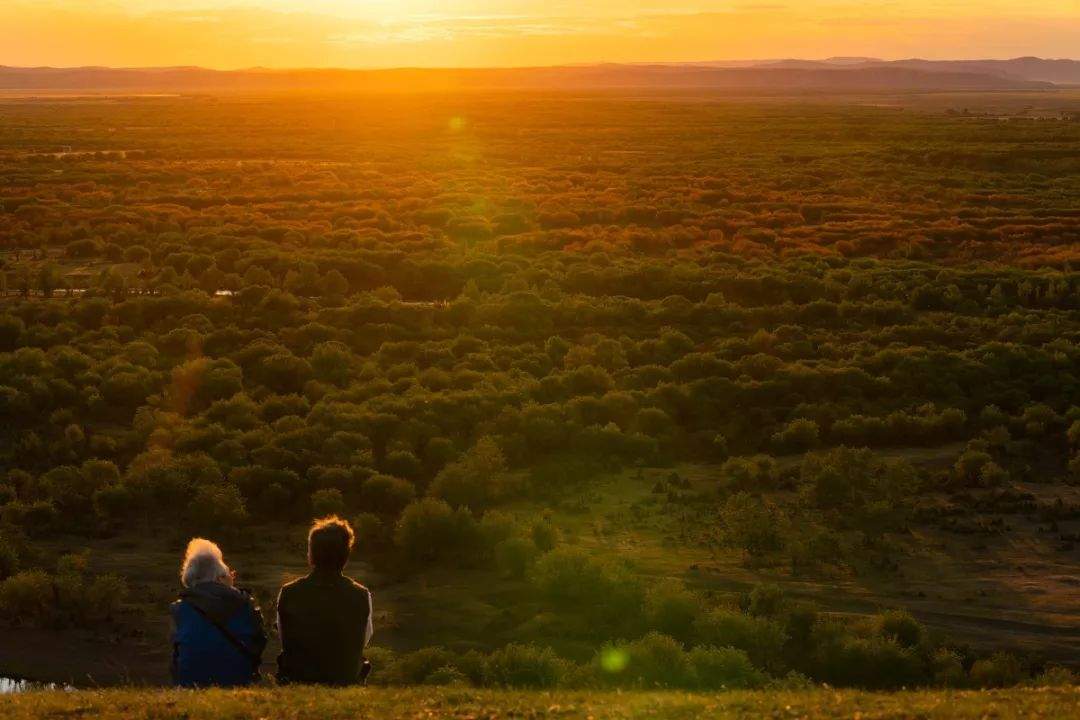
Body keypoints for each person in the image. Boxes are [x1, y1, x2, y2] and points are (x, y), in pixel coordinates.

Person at [276, 516, 373, 685]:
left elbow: (285, 639)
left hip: (298, 681)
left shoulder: (288, 593)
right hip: (345, 681)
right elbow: (364, 638)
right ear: (346, 554)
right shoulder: (361, 595)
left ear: (311, 554)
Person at [171, 538, 266, 687]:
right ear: (219, 576)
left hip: (191, 684)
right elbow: (259, 642)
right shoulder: (245, 603)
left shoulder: (180, 609)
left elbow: (177, 653)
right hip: (238, 681)